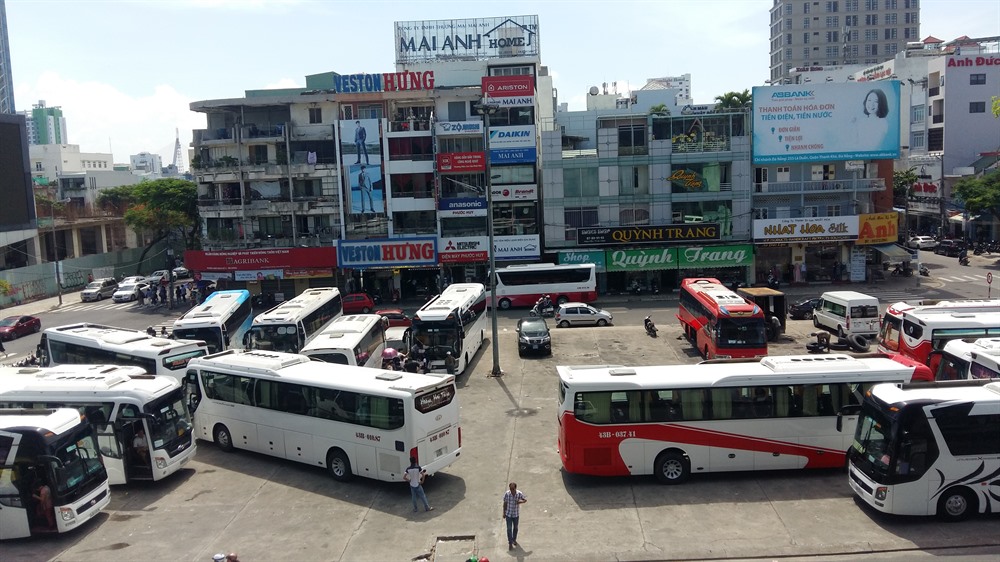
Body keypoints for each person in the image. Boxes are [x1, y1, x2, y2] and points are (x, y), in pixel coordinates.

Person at [502, 482, 527, 550]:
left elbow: (525, 500)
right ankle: (510, 543)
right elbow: (505, 503)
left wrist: (519, 502)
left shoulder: (519, 493)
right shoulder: (507, 494)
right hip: (508, 514)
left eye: (513, 489)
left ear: (515, 488)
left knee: (515, 528)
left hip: (516, 514)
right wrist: (504, 513)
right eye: (510, 489)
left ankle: (514, 539)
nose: (511, 490)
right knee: (509, 529)